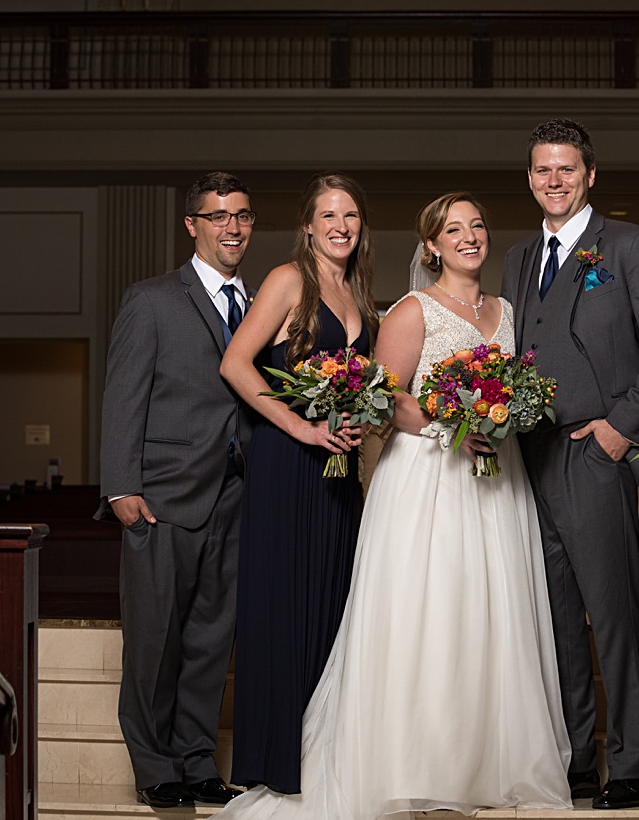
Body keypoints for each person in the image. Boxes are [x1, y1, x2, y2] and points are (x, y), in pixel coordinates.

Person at [214, 193, 571, 820]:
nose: (468, 237)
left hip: (483, 474)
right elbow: (390, 396)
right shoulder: (398, 307)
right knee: (410, 613)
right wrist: (452, 420)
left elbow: (370, 397)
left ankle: (479, 759)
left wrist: (500, 416)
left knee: (481, 612)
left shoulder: (497, 308)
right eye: (452, 230)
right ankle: (366, 760)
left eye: (477, 226)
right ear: (429, 245)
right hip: (407, 468)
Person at [501, 118, 639, 810]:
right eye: (543, 170)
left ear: (590, 176)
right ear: (530, 178)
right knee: (554, 621)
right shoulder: (519, 258)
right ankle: (577, 758)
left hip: (595, 452)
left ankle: (634, 763)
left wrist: (621, 425)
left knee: (612, 614)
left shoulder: (630, 244)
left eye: (567, 170)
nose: (555, 181)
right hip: (530, 457)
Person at [96, 171, 257, 808]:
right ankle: (153, 763)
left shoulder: (258, 300)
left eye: (242, 215)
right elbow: (122, 395)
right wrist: (119, 487)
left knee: (211, 638)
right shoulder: (152, 298)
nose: (233, 227)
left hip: (235, 496)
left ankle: (195, 759)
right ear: (192, 225)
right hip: (160, 496)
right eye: (218, 216)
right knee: (154, 639)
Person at [220, 173, 379, 795]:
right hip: (289, 466)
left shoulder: (357, 290)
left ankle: (319, 752)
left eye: (352, 216)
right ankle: (273, 760)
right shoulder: (290, 279)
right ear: (308, 226)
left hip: (339, 471)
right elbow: (235, 362)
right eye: (328, 216)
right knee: (284, 605)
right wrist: (299, 429)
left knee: (334, 601)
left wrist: (359, 417)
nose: (341, 226)